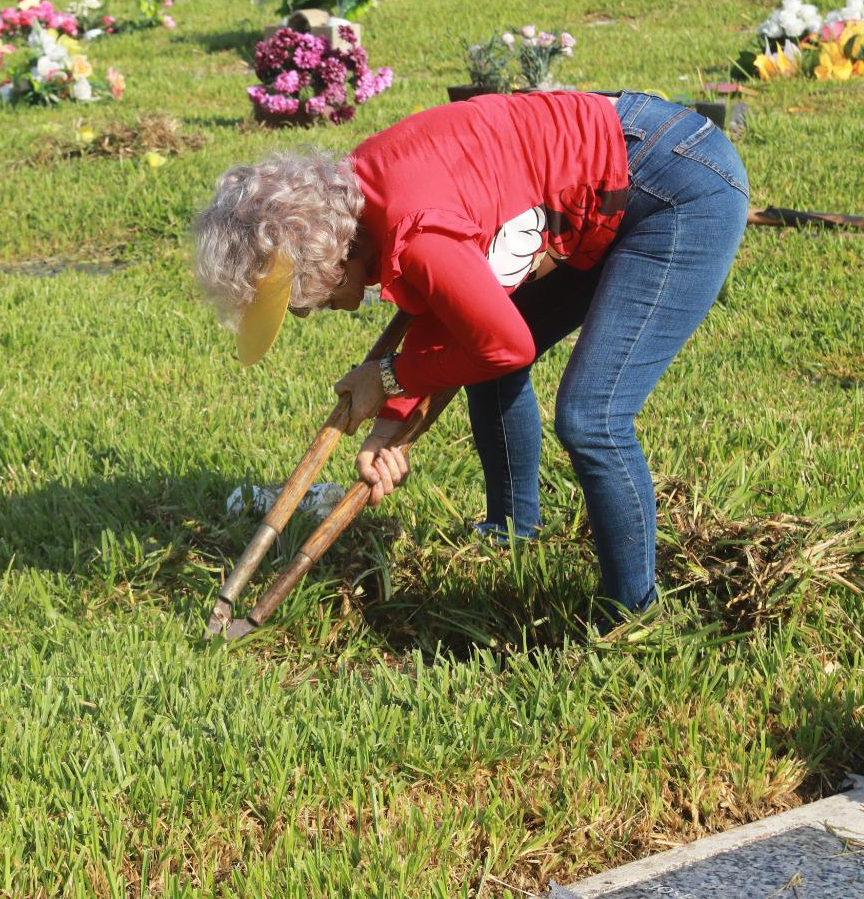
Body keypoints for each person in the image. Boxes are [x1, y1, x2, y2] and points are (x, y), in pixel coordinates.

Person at [193, 91, 749, 621]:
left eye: (297, 300)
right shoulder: (364, 191)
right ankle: (513, 533)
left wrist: (389, 376)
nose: (306, 313)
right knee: (480, 352)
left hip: (677, 186)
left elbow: (504, 345)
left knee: (592, 417)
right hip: (624, 170)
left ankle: (634, 616)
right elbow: (452, 308)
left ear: (320, 257)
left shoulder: (414, 229)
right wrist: (391, 424)